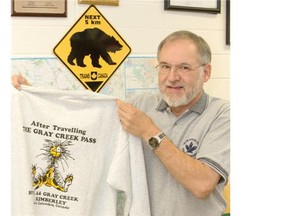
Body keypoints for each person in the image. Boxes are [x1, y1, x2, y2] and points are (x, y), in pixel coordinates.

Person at [12, 30, 230, 216]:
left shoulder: (222, 114)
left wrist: (149, 132)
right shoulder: (138, 105)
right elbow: (83, 127)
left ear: (206, 72)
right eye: (164, 66)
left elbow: (202, 185)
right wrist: (34, 100)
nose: (172, 77)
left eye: (184, 68)